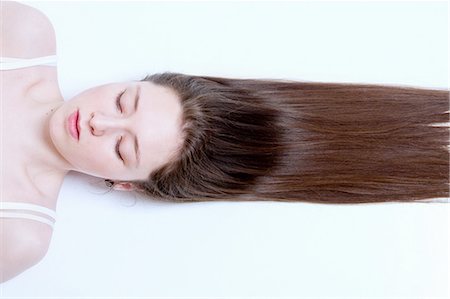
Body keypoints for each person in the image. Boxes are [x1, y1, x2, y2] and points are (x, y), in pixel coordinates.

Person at [1, 2, 449, 283]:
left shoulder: (20, 235)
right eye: (125, 99)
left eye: (124, 148)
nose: (99, 121)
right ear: (134, 81)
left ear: (127, 185)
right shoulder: (22, 35)